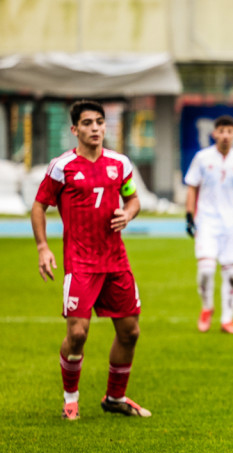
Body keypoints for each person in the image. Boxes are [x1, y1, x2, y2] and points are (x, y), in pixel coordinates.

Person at [32, 100, 150, 420]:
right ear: (75, 130)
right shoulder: (62, 167)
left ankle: (115, 397)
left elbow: (133, 198)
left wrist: (127, 214)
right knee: (78, 334)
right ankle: (71, 399)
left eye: (100, 122)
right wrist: (43, 246)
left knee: (130, 332)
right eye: (87, 123)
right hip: (81, 262)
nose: (96, 128)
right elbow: (40, 205)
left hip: (116, 261)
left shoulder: (120, 163)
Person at [184, 115, 233, 334]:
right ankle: (206, 307)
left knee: (231, 274)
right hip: (206, 221)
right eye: (221, 131)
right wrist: (189, 215)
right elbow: (192, 187)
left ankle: (227, 319)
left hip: (232, 224)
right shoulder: (202, 158)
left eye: (229, 131)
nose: (225, 135)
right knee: (205, 270)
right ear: (214, 133)